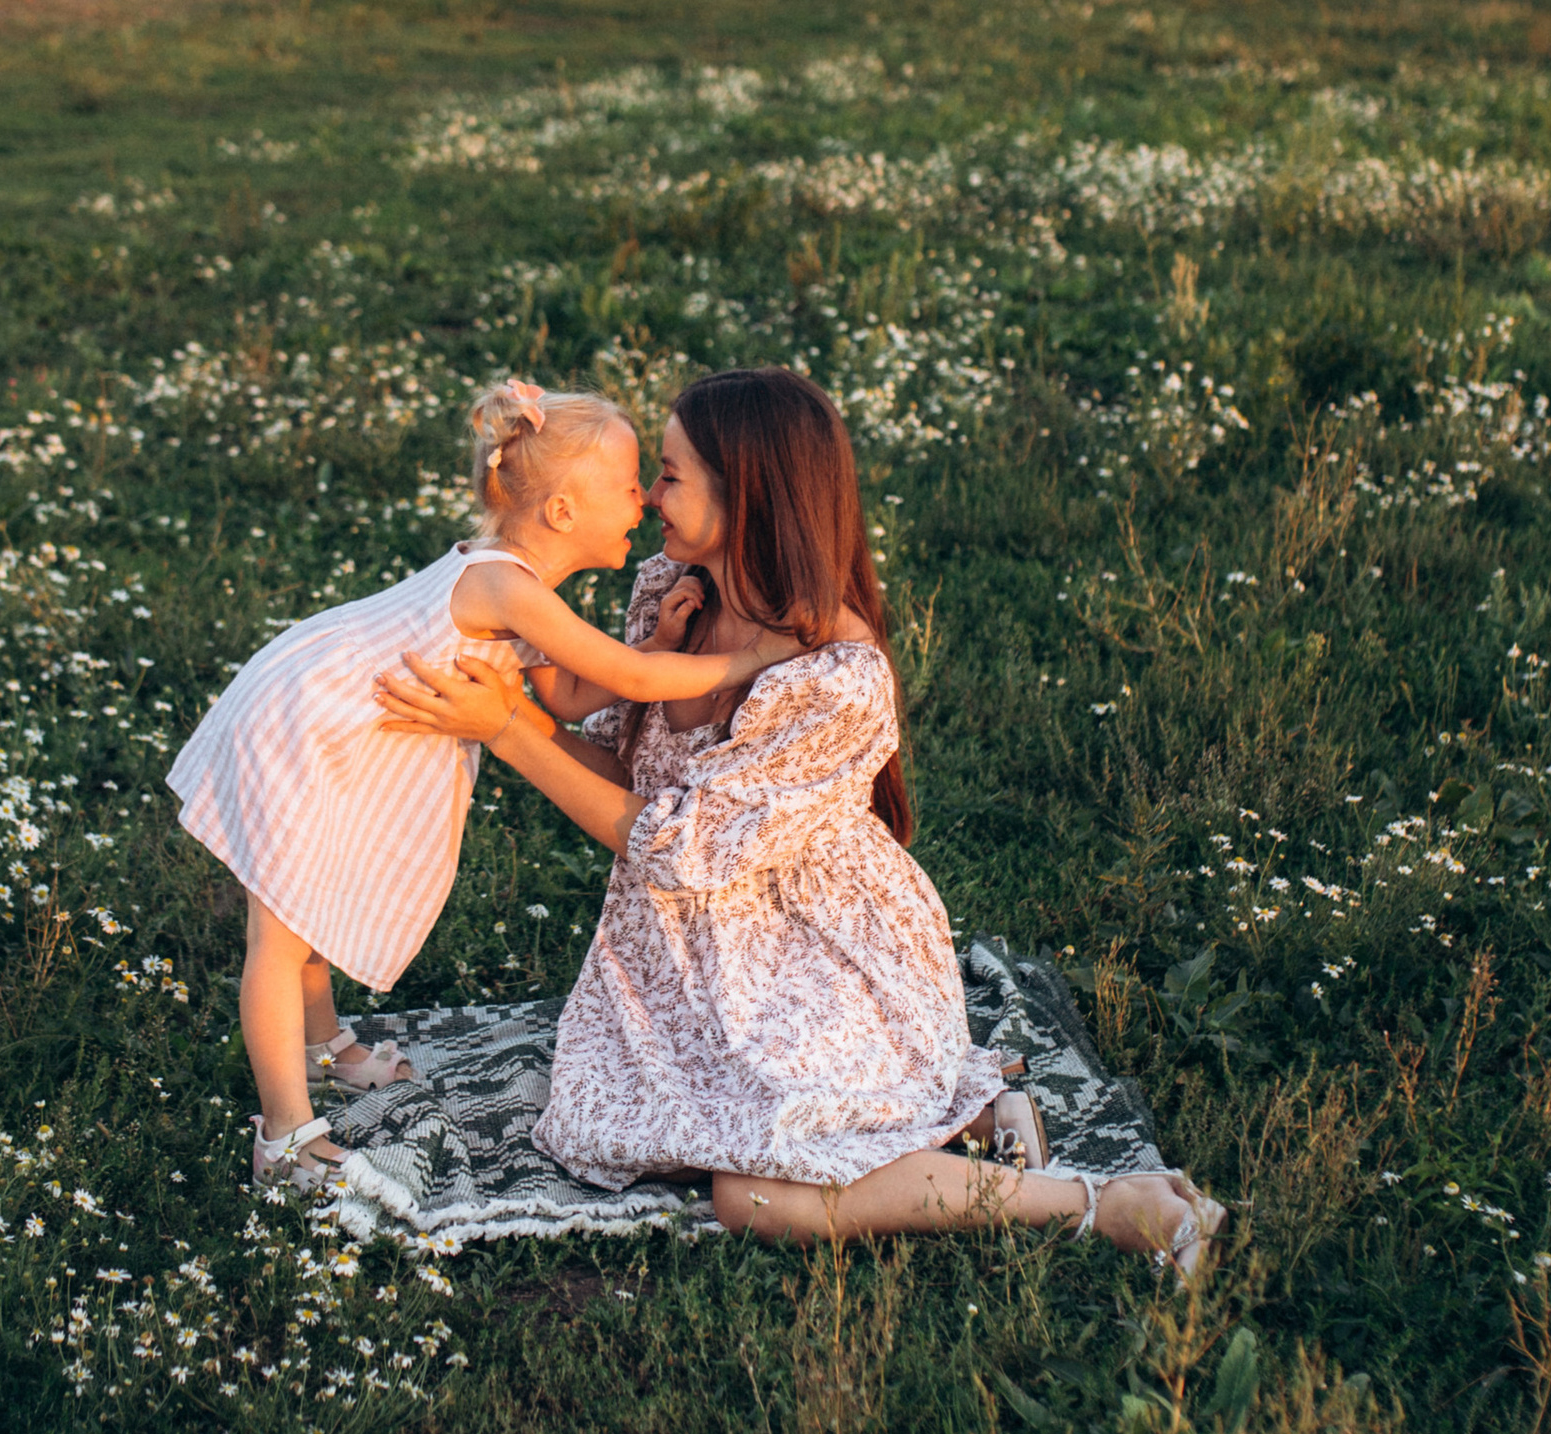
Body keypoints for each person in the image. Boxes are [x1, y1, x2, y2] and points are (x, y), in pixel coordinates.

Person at [378, 366, 1223, 1267]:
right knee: (629, 1130)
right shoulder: (676, 590)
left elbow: (668, 845)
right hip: (687, 961)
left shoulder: (837, 680)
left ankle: (1099, 1202)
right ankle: (972, 1114)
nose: (647, 495)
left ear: (748, 496)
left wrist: (510, 731)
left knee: (758, 1196)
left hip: (814, 953)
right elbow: (630, 773)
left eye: (668, 474)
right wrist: (515, 711)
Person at [167, 378, 735, 1187]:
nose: (643, 499)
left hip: (338, 722)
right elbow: (628, 677)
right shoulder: (506, 583)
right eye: (627, 485)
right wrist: (750, 658)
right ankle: (284, 1137)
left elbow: (572, 694)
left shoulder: (523, 586)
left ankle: (324, 1046)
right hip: (302, 721)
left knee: (310, 894)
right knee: (280, 932)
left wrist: (669, 633)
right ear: (564, 513)